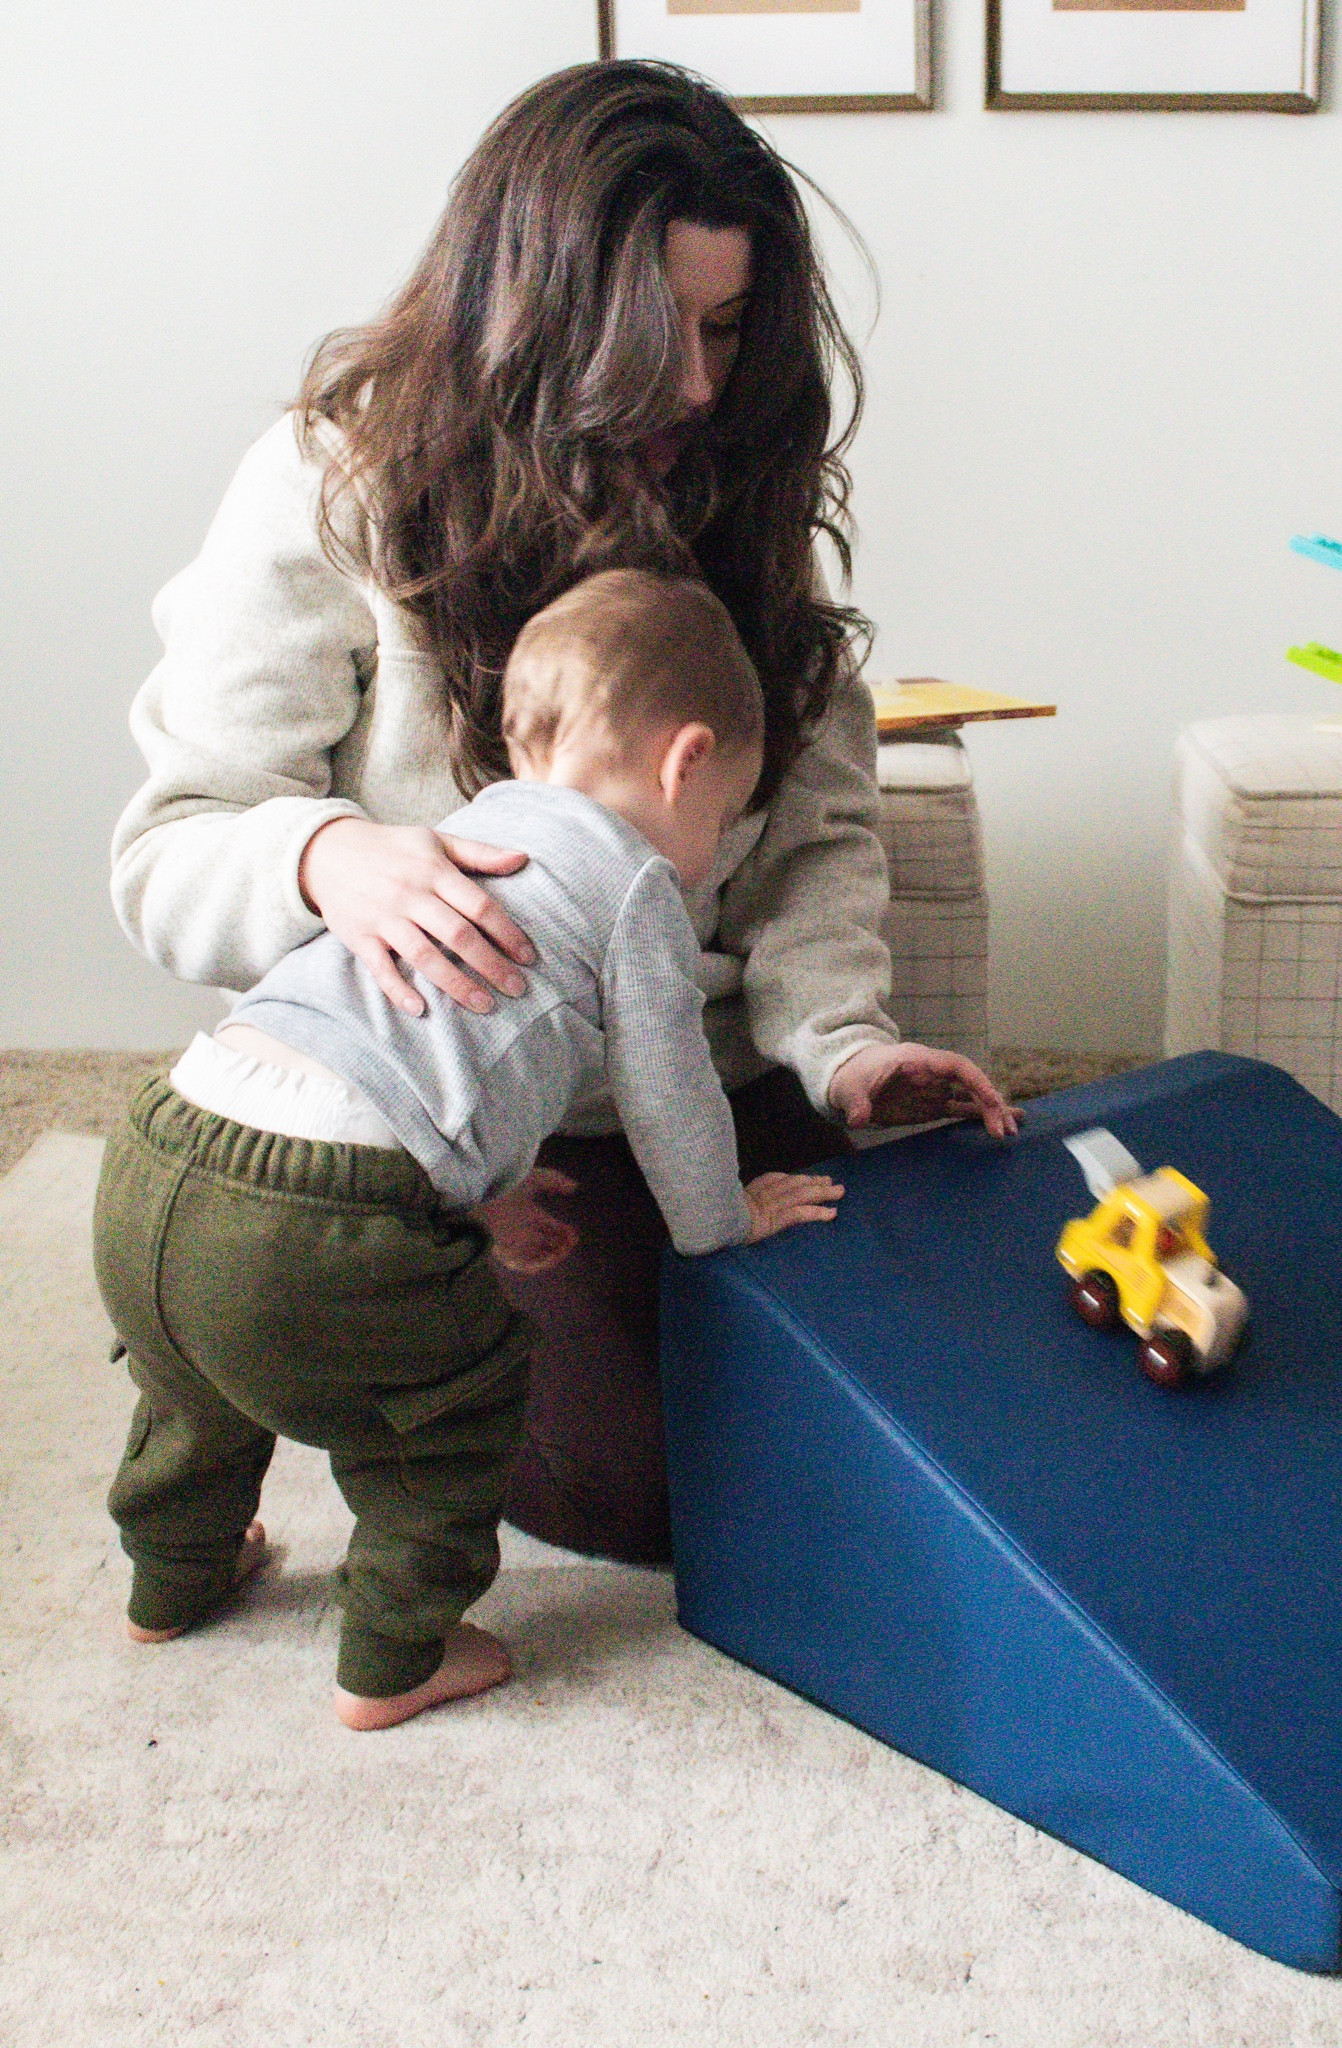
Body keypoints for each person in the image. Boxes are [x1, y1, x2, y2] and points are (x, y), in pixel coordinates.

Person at [110, 60, 1013, 1566]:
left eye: (728, 332)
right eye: (657, 338)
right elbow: (170, 849)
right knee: (650, 1494)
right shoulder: (331, 483)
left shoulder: (734, 489)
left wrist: (846, 1043)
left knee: (950, 1392)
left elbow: (816, 845)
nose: (702, 389)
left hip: (715, 1083)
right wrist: (334, 861)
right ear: (528, 311)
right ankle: (311, 1359)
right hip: (486, 1125)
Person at [95, 571, 865, 1730]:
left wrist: (489, 1195)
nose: (709, 853)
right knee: (455, 1399)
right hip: (318, 1204)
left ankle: (174, 1576)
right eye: (726, 815)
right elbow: (667, 1094)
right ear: (684, 762)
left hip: (169, 1138)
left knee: (193, 1378)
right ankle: (399, 1650)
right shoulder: (636, 890)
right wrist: (722, 1218)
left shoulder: (453, 834)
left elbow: (430, 1046)